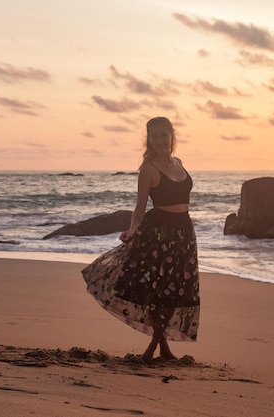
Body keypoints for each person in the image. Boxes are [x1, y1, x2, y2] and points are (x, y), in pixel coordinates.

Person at [82, 116, 200, 361]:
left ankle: (163, 347)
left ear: (171, 136)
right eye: (154, 136)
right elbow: (139, 208)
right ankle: (155, 347)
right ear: (149, 139)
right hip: (158, 234)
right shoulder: (147, 170)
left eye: (162, 135)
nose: (159, 140)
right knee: (157, 291)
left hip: (183, 234)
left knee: (174, 290)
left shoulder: (178, 163)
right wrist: (133, 229)